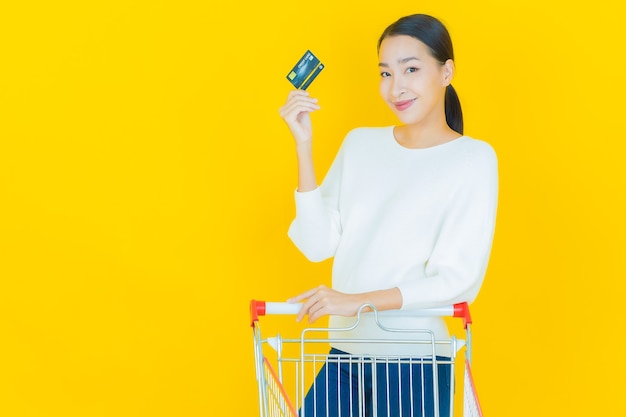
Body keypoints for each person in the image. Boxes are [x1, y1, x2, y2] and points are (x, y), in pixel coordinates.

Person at [279, 13, 498, 417]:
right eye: (385, 73)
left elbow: (458, 281)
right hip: (343, 355)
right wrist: (303, 147)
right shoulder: (360, 144)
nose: (395, 88)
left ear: (446, 71)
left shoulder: (472, 159)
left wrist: (355, 302)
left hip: (413, 365)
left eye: (410, 69)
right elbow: (315, 245)